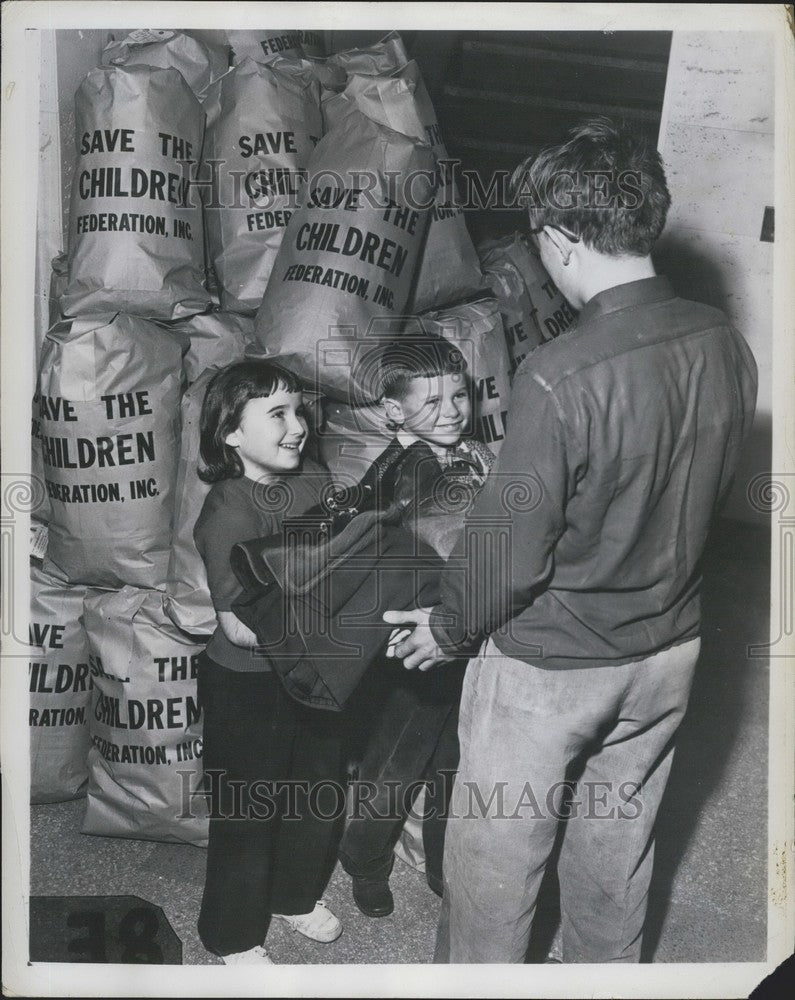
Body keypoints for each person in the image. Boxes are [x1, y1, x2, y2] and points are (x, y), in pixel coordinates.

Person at [383, 117, 758, 963]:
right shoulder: (723, 341)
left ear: (556, 238)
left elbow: (510, 553)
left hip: (550, 669)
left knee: (493, 873)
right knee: (614, 855)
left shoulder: (559, 375)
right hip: (669, 652)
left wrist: (444, 629)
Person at [338, 336, 495, 917]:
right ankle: (364, 859)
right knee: (397, 761)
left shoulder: (473, 451)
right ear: (393, 411)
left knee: (455, 760)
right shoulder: (402, 467)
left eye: (459, 395)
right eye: (431, 402)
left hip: (468, 632)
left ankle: (440, 863)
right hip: (414, 642)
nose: (451, 411)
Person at [193, 360, 344, 965]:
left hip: (314, 674)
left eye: (298, 410)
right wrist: (334, 625)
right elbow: (238, 625)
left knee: (316, 792)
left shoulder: (317, 482)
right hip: (247, 685)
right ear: (230, 433)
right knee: (247, 812)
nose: (297, 424)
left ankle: (292, 895)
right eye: (276, 413)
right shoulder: (228, 509)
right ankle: (230, 935)